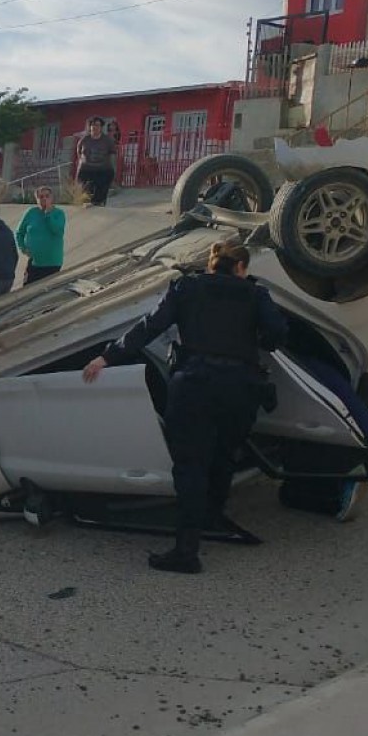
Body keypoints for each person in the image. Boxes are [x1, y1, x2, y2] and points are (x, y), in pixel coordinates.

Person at [82, 241, 287, 574]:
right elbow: (278, 333)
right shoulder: (255, 294)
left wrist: (107, 356)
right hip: (240, 389)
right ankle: (213, 517)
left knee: (191, 465)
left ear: (211, 265)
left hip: (195, 386)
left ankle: (186, 551)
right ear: (239, 268)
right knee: (224, 457)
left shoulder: (186, 287)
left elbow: (150, 326)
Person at [14, 186, 66, 285]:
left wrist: (48, 215)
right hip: (34, 261)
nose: (44, 199)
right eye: (41, 197)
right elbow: (19, 232)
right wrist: (23, 248)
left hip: (52, 262)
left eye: (47, 196)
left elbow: (58, 232)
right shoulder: (31, 213)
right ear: (37, 199)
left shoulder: (59, 213)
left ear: (52, 198)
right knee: (27, 289)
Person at [73, 117, 117, 207]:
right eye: (92, 125)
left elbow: (112, 156)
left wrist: (113, 170)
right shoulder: (84, 140)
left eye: (97, 125)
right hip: (87, 169)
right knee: (85, 191)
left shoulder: (108, 140)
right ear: (90, 127)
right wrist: (81, 165)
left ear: (101, 127)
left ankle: (99, 205)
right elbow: (79, 154)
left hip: (103, 169)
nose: (95, 127)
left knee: (101, 191)